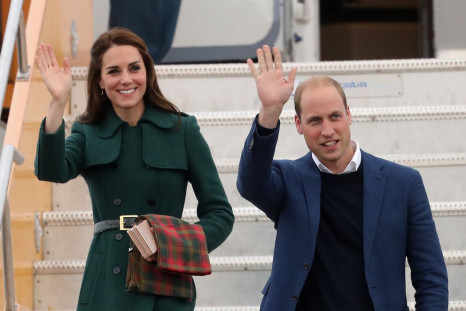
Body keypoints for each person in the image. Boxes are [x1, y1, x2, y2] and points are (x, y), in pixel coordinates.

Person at [34, 27, 234, 311]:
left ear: (148, 73)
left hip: (165, 281)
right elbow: (51, 171)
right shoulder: (87, 131)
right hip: (107, 283)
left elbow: (220, 214)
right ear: (100, 81)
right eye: (114, 71)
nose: (126, 79)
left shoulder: (182, 130)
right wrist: (57, 102)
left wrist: (173, 244)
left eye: (134, 68)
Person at [236, 45, 448, 311]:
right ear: (299, 125)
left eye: (335, 116)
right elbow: (250, 184)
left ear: (349, 114)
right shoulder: (287, 180)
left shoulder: (403, 183)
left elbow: (430, 276)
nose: (327, 130)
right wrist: (269, 111)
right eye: (315, 121)